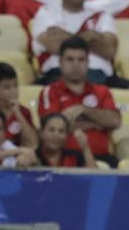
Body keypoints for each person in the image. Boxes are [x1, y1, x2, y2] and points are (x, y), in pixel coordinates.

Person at [32, 0, 129, 91]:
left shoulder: (101, 15)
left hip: (102, 76)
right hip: (59, 75)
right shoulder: (47, 13)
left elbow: (110, 49)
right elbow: (54, 45)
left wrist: (65, 37)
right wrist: (91, 37)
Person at [38, 37, 121, 167]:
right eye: (70, 59)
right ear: (60, 62)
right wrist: (95, 123)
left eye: (81, 60)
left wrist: (83, 110)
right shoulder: (50, 91)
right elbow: (53, 128)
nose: (75, 64)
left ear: (88, 63)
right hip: (65, 159)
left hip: (102, 158)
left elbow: (115, 120)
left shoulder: (102, 91)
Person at [0, 62, 37, 148]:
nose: (13, 91)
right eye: (7, 87)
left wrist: (18, 113)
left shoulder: (24, 112)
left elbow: (33, 143)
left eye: (15, 86)